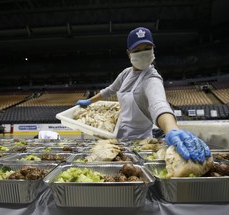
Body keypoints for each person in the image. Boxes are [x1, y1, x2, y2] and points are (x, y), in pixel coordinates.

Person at [76, 27, 210, 163]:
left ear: (153, 49)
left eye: (147, 48)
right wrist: (89, 101)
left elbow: (159, 105)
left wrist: (172, 130)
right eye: (137, 50)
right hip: (116, 139)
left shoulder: (151, 79)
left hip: (139, 144)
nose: (143, 53)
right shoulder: (126, 74)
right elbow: (109, 90)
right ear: (129, 54)